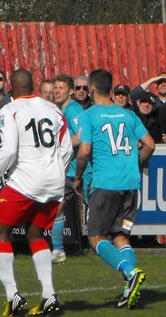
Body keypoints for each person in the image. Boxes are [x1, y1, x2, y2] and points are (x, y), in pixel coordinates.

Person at [0, 69, 72, 316]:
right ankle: (49, 295)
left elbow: (8, 151)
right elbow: (67, 149)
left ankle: (12, 295)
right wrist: (55, 172)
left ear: (11, 90)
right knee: (36, 233)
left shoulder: (9, 109)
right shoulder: (53, 109)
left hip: (26, 180)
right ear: (33, 86)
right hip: (54, 180)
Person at [74, 69, 155, 309]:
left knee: (95, 237)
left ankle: (131, 273)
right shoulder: (128, 115)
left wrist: (78, 177)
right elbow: (149, 145)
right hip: (130, 184)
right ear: (110, 89)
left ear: (91, 89)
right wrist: (135, 163)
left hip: (105, 183)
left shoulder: (89, 115)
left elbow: (85, 150)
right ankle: (129, 287)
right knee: (121, 236)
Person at [49, 74, 84, 265]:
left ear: (70, 91)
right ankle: (58, 250)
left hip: (82, 170)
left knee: (95, 209)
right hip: (66, 171)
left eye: (61, 87)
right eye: (56, 88)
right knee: (57, 208)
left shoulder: (73, 110)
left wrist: (62, 147)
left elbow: (82, 135)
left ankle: (113, 244)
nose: (57, 91)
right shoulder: (59, 110)